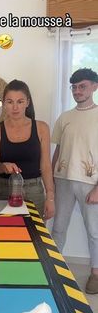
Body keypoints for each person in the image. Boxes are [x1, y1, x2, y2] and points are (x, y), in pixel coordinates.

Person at [51, 68, 98, 294]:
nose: (77, 91)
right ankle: (54, 268)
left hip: (90, 182)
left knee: (94, 230)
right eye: (74, 87)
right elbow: (58, 149)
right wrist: (50, 179)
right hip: (63, 180)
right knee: (59, 227)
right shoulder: (65, 117)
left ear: (94, 87)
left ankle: (96, 273)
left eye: (83, 86)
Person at [0, 79, 55, 219]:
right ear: (4, 103)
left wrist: (50, 197)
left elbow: (46, 165)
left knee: (35, 237)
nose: (15, 107)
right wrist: (3, 166)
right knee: (3, 236)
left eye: (20, 101)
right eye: (10, 102)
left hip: (34, 190)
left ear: (27, 102)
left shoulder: (42, 128)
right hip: (5, 190)